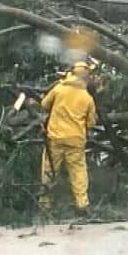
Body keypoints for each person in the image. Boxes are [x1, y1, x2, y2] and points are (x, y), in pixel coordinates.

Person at [38, 62, 98, 214]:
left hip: (55, 137)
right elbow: (91, 123)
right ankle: (82, 204)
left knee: (50, 169)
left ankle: (45, 204)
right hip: (76, 139)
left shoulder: (59, 88)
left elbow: (44, 105)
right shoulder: (87, 97)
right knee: (78, 172)